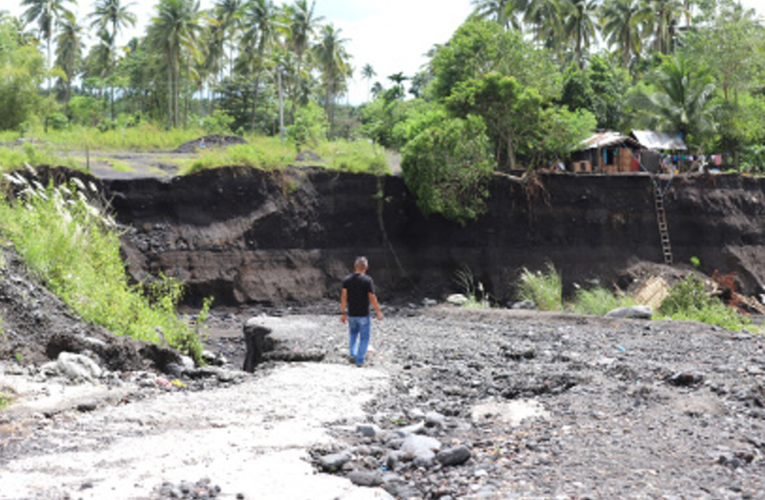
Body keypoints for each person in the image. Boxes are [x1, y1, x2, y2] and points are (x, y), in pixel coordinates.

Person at [340, 256, 383, 366]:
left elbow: (344, 297)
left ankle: (353, 355)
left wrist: (342, 313)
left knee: (353, 334)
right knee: (364, 337)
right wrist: (378, 311)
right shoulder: (367, 280)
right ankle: (359, 360)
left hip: (352, 314)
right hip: (364, 314)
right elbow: (372, 298)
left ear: (355, 266)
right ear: (366, 267)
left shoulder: (347, 280)